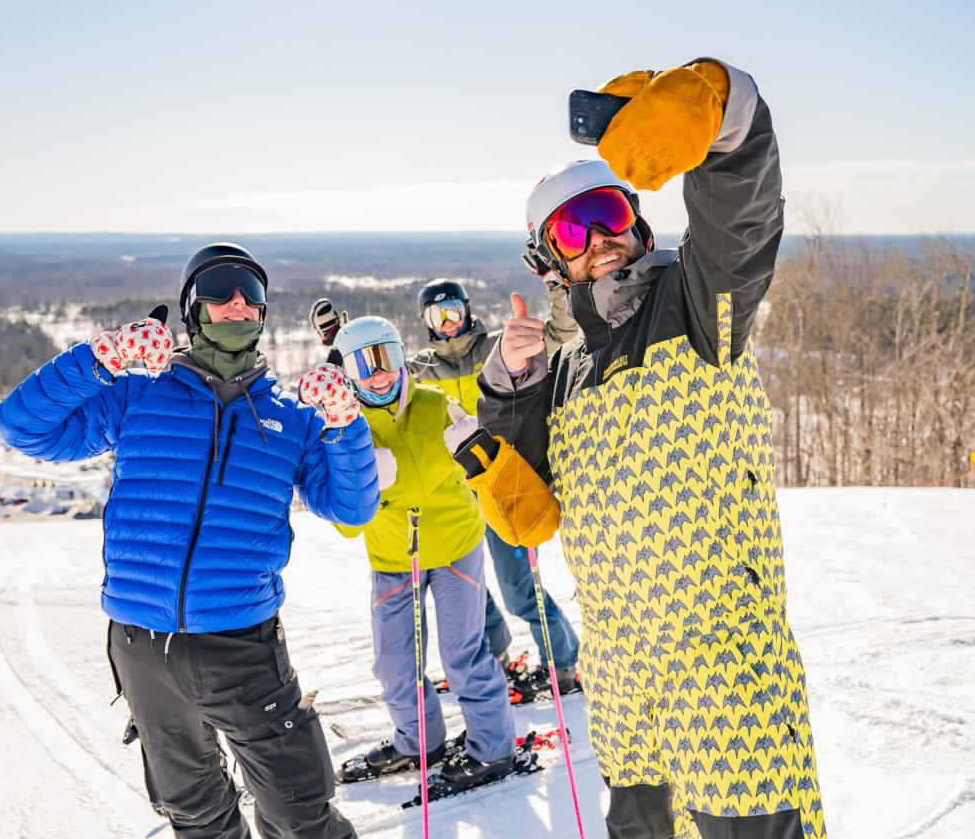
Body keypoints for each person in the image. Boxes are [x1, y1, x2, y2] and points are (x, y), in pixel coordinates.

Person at [478, 61, 827, 838]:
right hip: (621, 677)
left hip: (723, 669)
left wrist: (725, 119)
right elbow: (525, 494)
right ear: (549, 262)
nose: (599, 240)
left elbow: (741, 219)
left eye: (608, 214)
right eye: (573, 230)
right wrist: (507, 382)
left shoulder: (698, 306)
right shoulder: (565, 371)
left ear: (638, 221)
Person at [0, 242, 379, 839]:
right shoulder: (138, 393)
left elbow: (351, 505)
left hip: (244, 646)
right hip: (143, 646)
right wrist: (102, 358)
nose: (236, 303)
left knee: (302, 814)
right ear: (190, 306)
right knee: (195, 815)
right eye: (220, 288)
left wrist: (345, 424)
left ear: (263, 313)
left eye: (250, 293)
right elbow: (23, 426)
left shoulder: (292, 415)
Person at [330, 315, 517, 787]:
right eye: (363, 364)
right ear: (347, 371)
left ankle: (493, 751)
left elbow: (484, 471)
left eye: (386, 358)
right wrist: (364, 485)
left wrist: (478, 449)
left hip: (455, 548)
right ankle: (419, 742)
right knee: (395, 665)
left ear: (400, 355)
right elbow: (347, 526)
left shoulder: (438, 406)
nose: (379, 374)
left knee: (463, 656)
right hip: (393, 559)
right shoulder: (344, 428)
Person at [408, 276, 581, 697]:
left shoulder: (495, 347)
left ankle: (562, 662)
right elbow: (381, 382)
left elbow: (559, 335)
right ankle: (499, 655)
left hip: (503, 487)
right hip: (455, 497)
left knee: (519, 587)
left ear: (468, 311)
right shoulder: (422, 369)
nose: (449, 322)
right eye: (438, 315)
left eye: (455, 311)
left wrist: (560, 291)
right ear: (427, 322)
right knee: (469, 589)